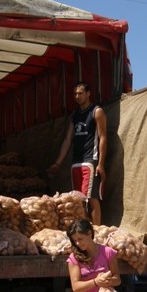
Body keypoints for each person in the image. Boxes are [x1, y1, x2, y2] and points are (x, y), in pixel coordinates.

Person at [48, 82, 108, 225]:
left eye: (80, 93)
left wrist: (101, 164)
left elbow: (103, 137)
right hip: (76, 162)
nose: (77, 96)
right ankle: (84, 231)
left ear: (88, 94)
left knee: (92, 198)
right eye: (75, 94)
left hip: (90, 161)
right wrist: (58, 163)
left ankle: (97, 232)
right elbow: (68, 139)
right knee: (79, 199)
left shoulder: (96, 111)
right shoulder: (75, 115)